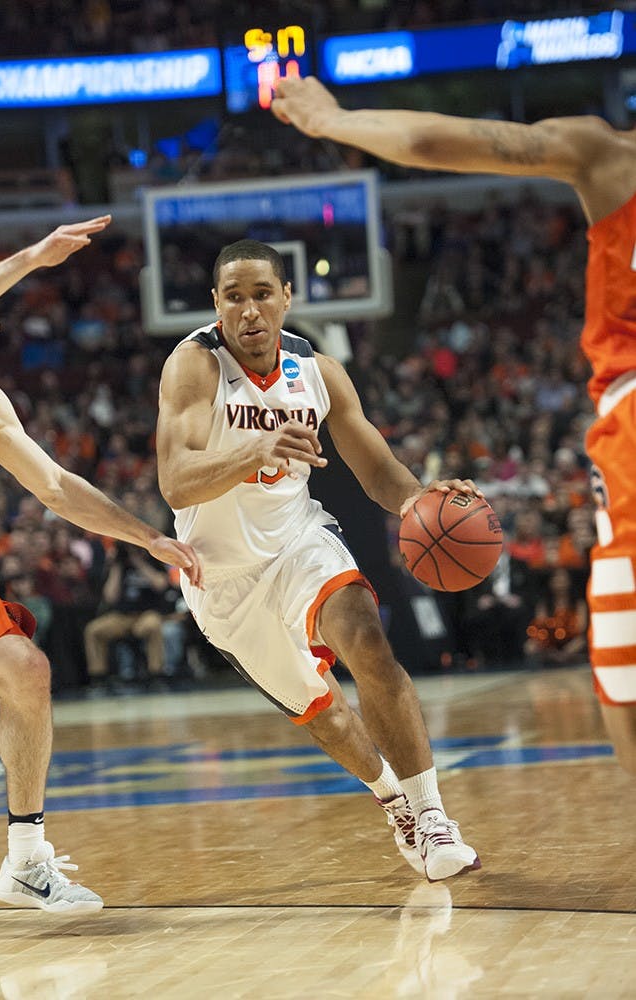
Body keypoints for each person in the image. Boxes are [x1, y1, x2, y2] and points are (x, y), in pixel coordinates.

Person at [272, 76, 636, 776]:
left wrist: (334, 121)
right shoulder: (611, 156)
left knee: (627, 698)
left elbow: (432, 141)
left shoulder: (610, 156)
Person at [156, 238, 481, 882]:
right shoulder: (194, 366)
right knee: (326, 714)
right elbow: (175, 482)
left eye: (262, 295)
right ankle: (394, 802)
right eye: (234, 298)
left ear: (286, 297)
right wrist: (253, 452)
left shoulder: (319, 372)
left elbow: (377, 467)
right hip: (221, 579)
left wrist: (418, 500)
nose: (249, 311)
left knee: (366, 638)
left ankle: (433, 813)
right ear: (216, 304)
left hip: (298, 540)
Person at [0, 217, 202, 914]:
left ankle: (25, 861)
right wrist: (31, 258)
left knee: (25, 668)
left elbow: (55, 488)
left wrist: (146, 538)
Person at [84, 541, 188, 689]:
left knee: (152, 626)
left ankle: (156, 673)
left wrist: (139, 563)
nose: (132, 551)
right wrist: (116, 567)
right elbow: (110, 597)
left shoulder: (153, 560)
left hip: (148, 613)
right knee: (94, 630)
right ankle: (98, 677)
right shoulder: (119, 566)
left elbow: (161, 584)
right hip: (123, 616)